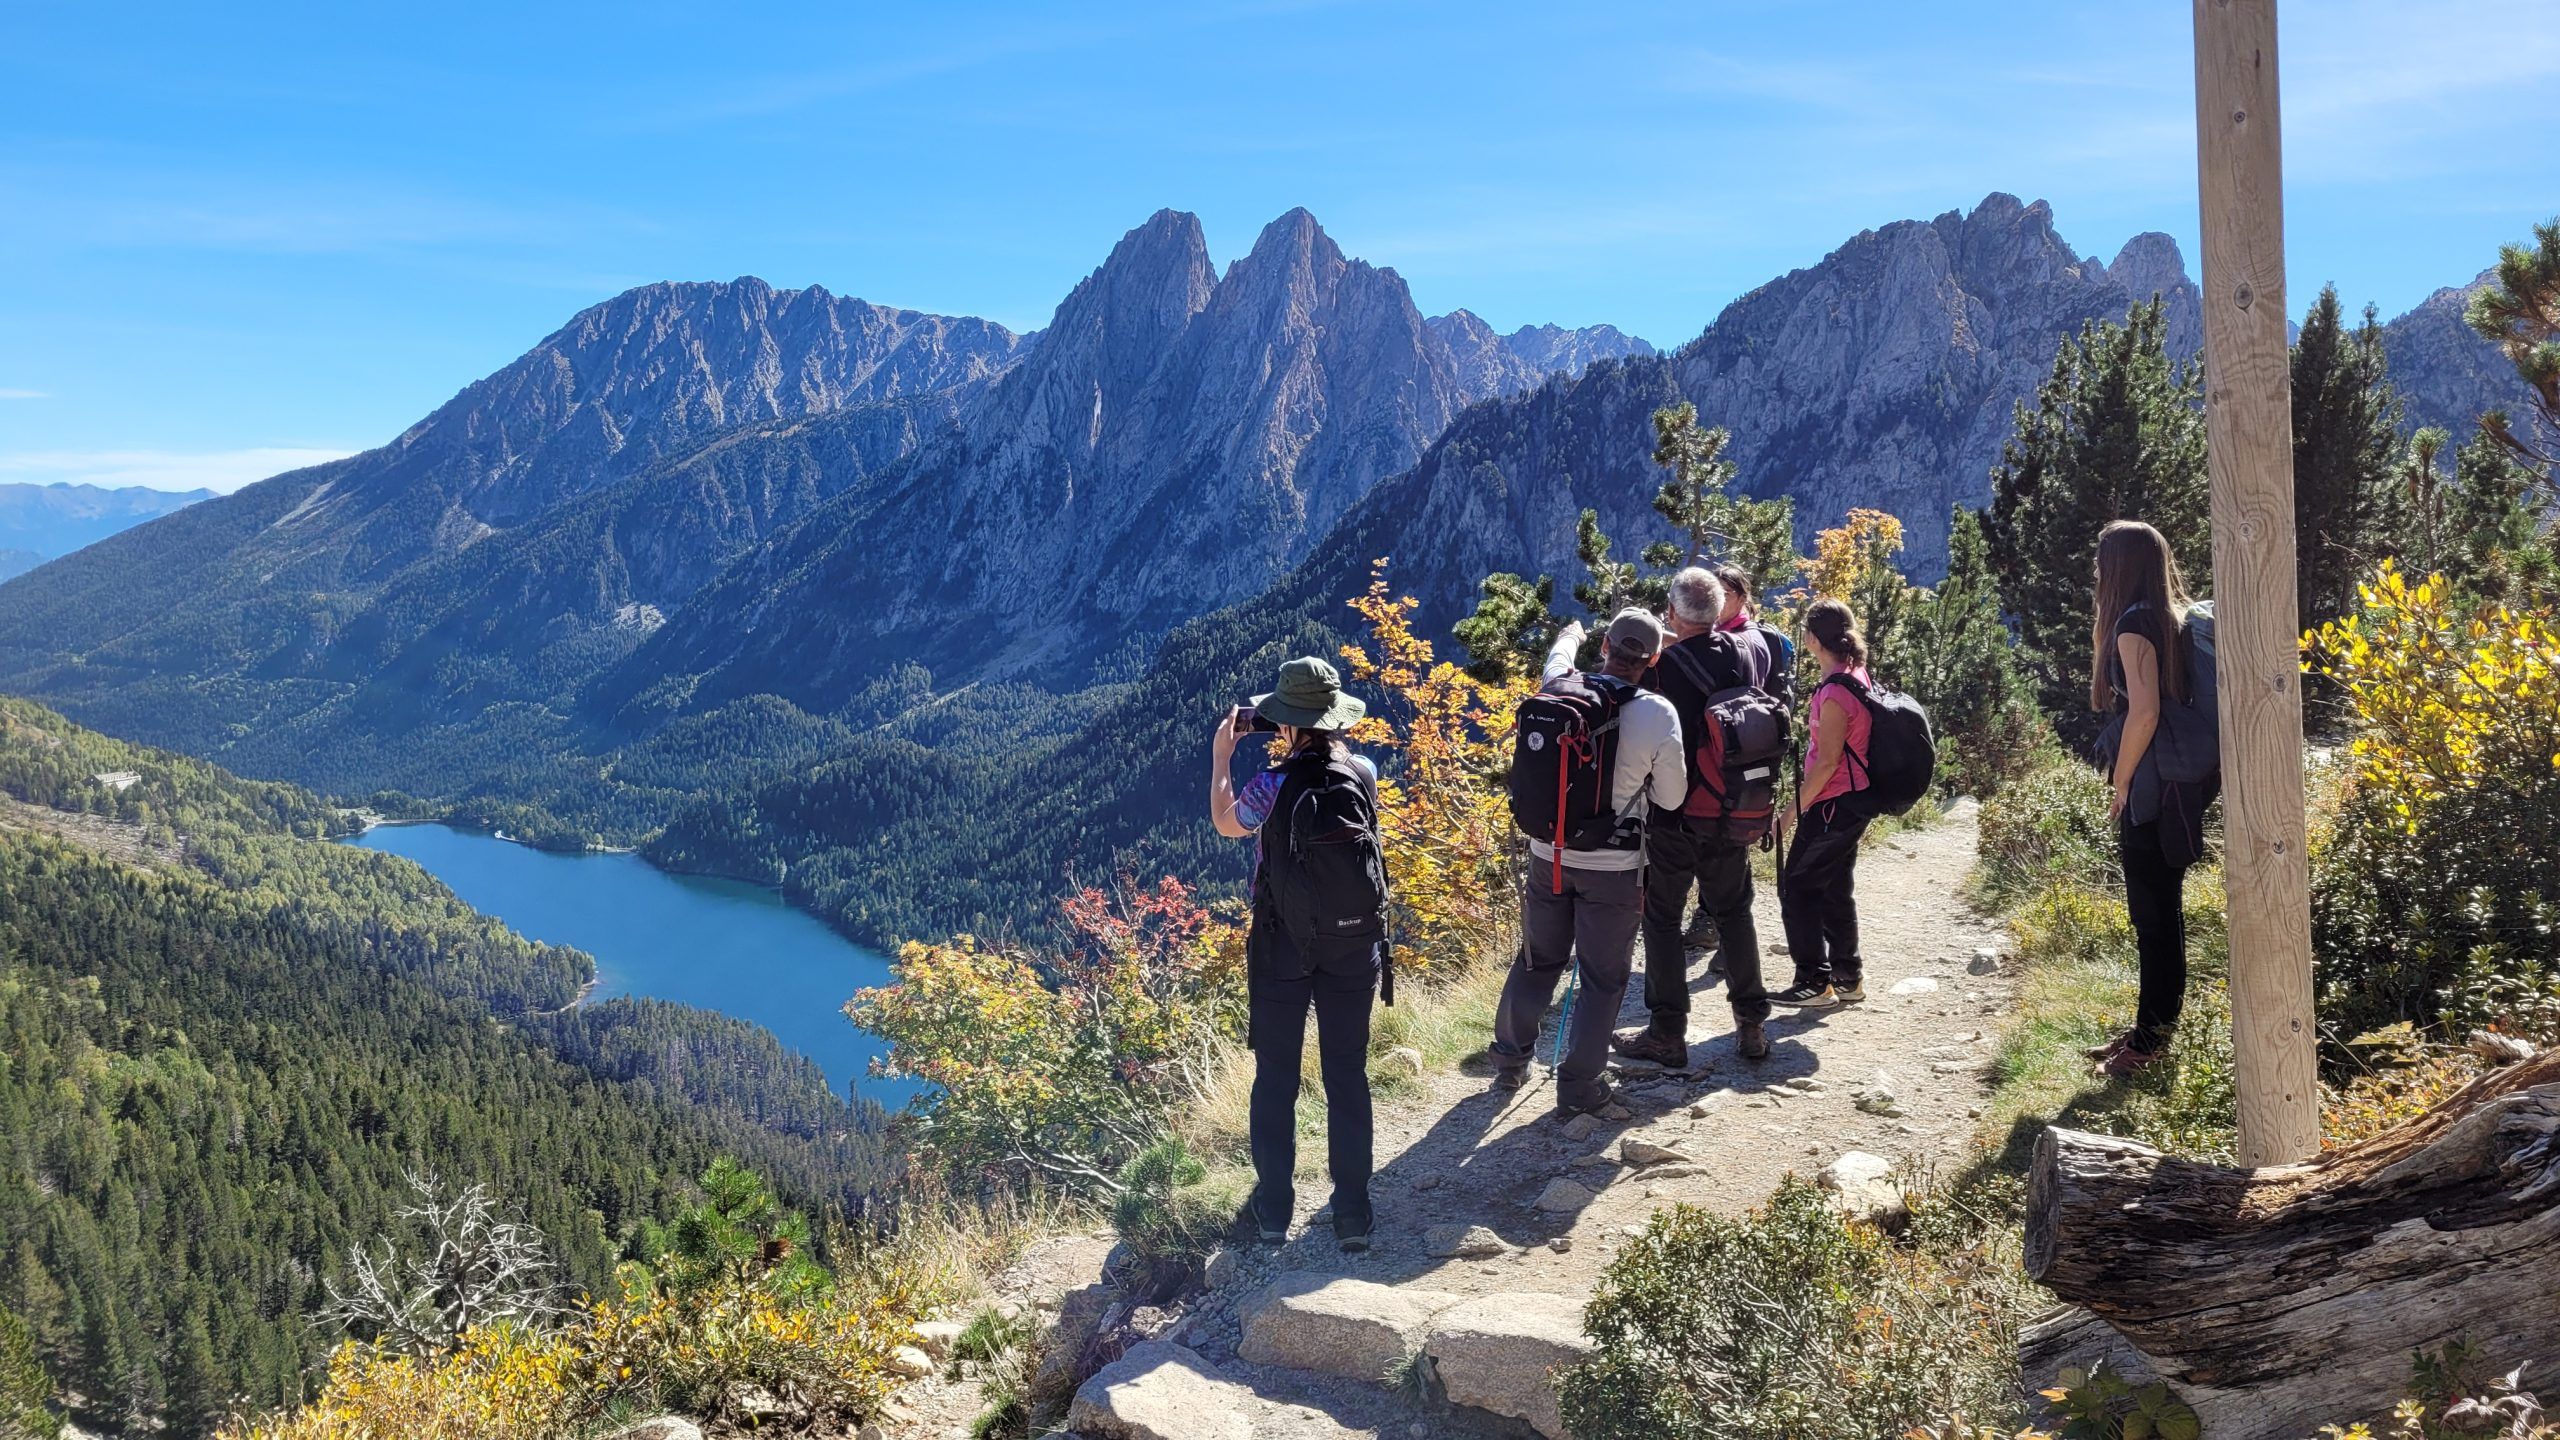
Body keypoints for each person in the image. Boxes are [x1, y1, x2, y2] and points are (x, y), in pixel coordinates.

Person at [1209, 656, 1383, 1250]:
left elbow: (1228, 825)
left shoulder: (1272, 785)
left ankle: (1274, 1212)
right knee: (1347, 1074)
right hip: (1353, 944)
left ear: (1285, 723)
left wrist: (1222, 754)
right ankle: (1352, 1211)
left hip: (1282, 947)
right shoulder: (1363, 771)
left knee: (1277, 1076)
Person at [1488, 609, 1686, 1114]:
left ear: (1605, 648)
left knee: (1537, 960)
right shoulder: (1657, 713)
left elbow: (1557, 659)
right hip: (1613, 868)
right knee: (1602, 977)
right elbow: (1671, 797)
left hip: (1546, 853)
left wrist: (1568, 635)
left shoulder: (1560, 687)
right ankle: (1579, 1086)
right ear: (1654, 658)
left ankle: (1510, 1061)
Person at [1615, 567, 1774, 1067]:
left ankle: (1667, 1033)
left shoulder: (1664, 670)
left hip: (1676, 814)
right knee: (1734, 912)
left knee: (1662, 919)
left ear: (1671, 614)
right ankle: (1751, 1024)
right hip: (1733, 811)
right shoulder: (1745, 653)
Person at [2086, 520, 2216, 1077]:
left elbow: (2144, 712)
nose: (2095, 572)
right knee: (2160, 911)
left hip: (2154, 783)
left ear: (2117, 566)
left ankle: (2150, 1044)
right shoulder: (2173, 618)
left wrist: (2121, 781)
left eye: (2100, 561)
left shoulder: (2133, 624)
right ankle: (2149, 1029)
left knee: (2154, 914)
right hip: (2180, 778)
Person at [1772, 599, 1874, 1009]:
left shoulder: (1834, 692)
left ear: (1813, 639)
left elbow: (1828, 761)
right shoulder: (1855, 675)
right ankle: (1847, 976)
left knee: (1797, 886)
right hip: (1853, 800)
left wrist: (1788, 814)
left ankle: (1814, 980)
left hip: (1833, 804)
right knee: (1834, 887)